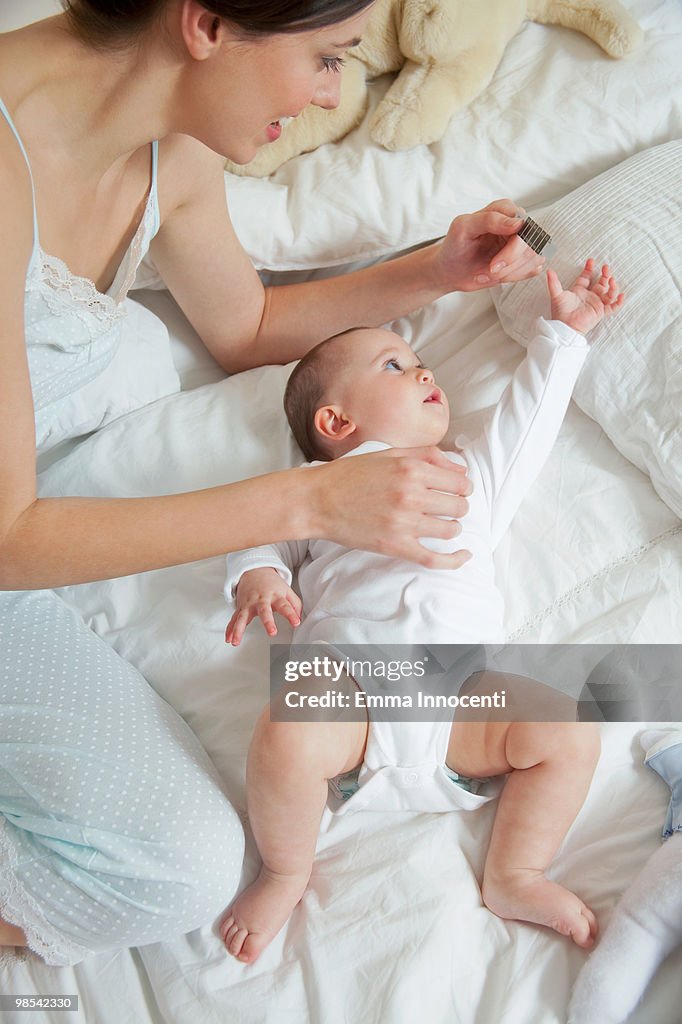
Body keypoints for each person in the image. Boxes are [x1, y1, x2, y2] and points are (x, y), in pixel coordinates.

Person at [0, 0, 548, 965]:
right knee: (179, 868)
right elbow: (10, 539)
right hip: (13, 538)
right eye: (327, 58)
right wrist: (305, 502)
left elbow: (245, 327)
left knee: (188, 861)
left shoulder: (169, 148)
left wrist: (437, 272)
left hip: (39, 494)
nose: (331, 92)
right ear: (206, 24)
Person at [221, 261, 624, 964]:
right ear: (337, 420)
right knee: (285, 733)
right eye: (394, 364)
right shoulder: (319, 487)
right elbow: (255, 532)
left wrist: (564, 335)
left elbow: (525, 428)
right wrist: (257, 579)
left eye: (420, 359)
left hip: (462, 701)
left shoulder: (466, 476)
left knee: (567, 725)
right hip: (353, 697)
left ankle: (515, 873)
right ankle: (286, 869)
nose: (423, 371)